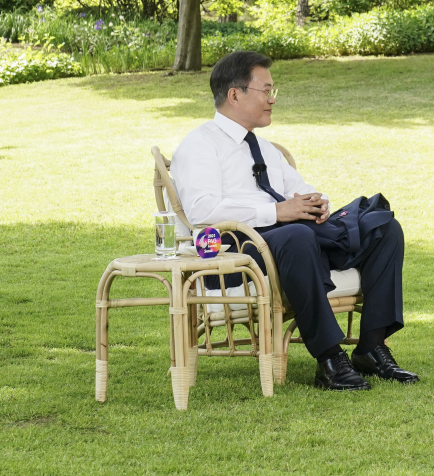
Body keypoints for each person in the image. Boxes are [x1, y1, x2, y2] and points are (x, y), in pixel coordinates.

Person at [171, 51, 417, 391]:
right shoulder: (200, 145)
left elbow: (298, 188)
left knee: (381, 226)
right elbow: (201, 211)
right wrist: (276, 213)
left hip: (291, 236)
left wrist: (317, 204)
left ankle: (371, 348)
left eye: (274, 91)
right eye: (266, 91)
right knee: (298, 236)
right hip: (236, 251)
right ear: (235, 95)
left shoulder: (262, 147)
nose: (272, 100)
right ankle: (330, 360)